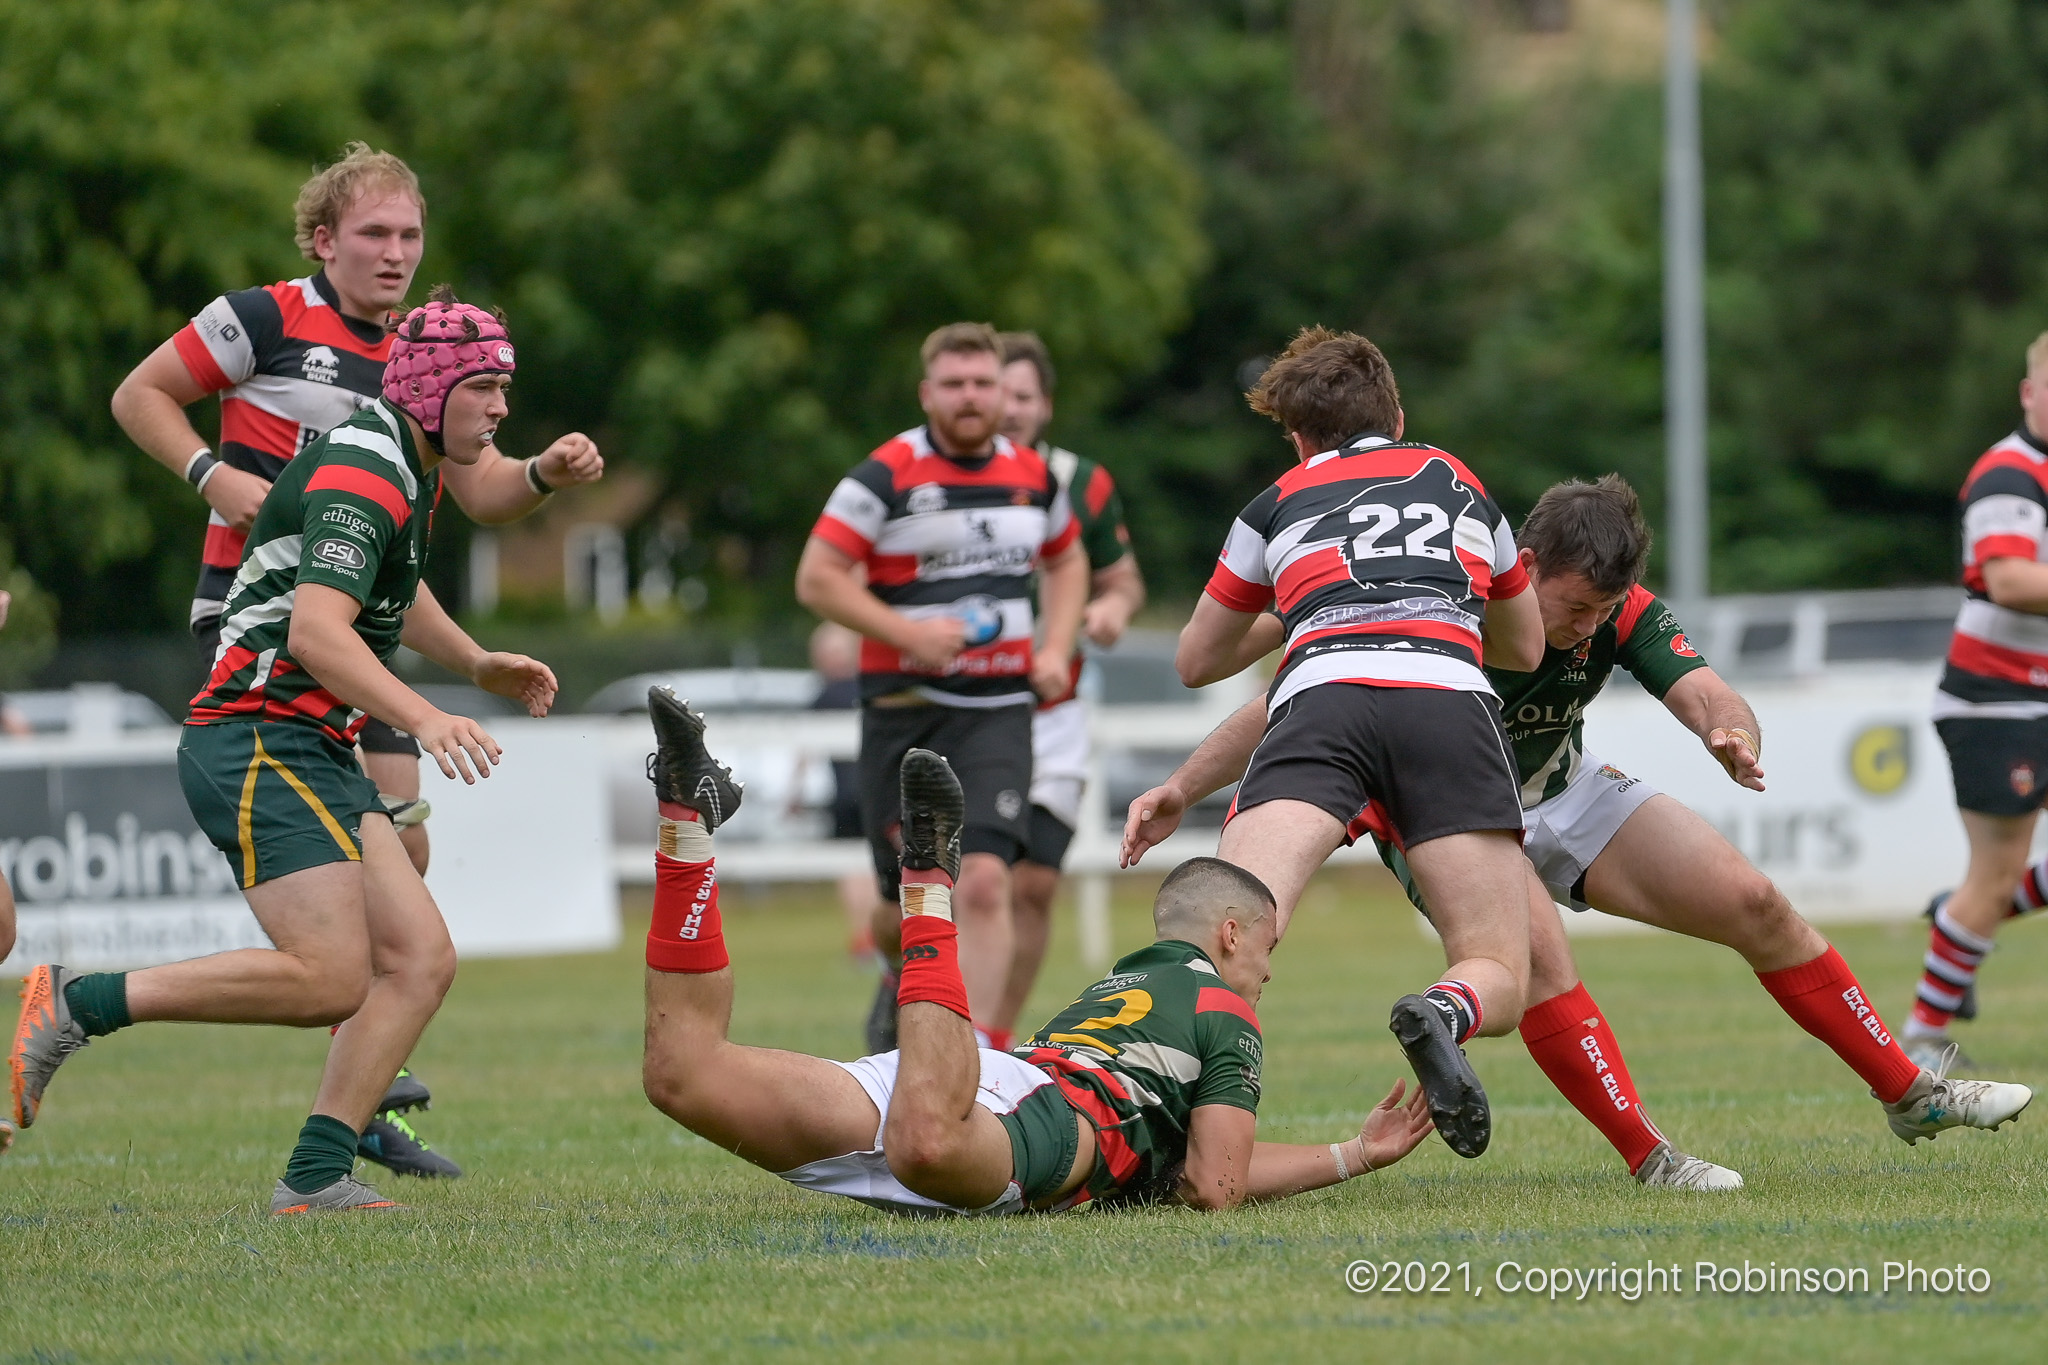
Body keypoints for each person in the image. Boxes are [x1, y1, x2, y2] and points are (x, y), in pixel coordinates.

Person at [1127, 475, 2035, 1185]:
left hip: (1566, 788)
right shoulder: (1446, 599)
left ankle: (1910, 1094)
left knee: (1756, 902)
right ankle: (1653, 1157)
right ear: (1521, 566)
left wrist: (1731, 732)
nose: (1583, 630)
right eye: (1571, 608)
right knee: (1542, 961)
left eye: (1603, 611)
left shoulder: (1617, 608)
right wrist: (1180, 785)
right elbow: (1288, 694)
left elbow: (1705, 687)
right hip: (1448, 810)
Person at [108, 142, 602, 1174]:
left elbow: (480, 486)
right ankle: (347, 1072)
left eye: (409, 235)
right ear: (323, 239)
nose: (394, 252)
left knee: (404, 856)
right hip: (269, 620)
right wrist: (209, 475)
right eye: (373, 233)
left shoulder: (422, 348)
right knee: (377, 868)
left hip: (366, 618)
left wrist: (545, 477)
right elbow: (139, 395)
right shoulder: (265, 317)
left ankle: (356, 1077)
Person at [9, 290, 560, 1212]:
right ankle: (77, 1000)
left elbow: (395, 585)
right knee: (331, 976)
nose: (501, 408)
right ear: (429, 389)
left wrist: (476, 661)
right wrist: (426, 715)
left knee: (420, 960)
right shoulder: (368, 471)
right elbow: (316, 632)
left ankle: (313, 1177)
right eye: (484, 387)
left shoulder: (400, 462)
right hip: (257, 736)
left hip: (309, 743)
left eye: (504, 387)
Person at [636, 687, 1436, 1214]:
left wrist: (1348, 1150)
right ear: (1231, 935)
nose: (1266, 971)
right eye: (1267, 949)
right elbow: (1214, 1183)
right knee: (925, 1141)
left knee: (682, 1071)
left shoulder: (1121, 983)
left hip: (979, 1087)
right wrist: (1354, 1157)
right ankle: (929, 884)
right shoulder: (1225, 1007)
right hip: (1027, 1119)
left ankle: (686, 822)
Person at [1167, 326, 1544, 1160]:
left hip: (1321, 698)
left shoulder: (1274, 502)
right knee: (1497, 967)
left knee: (1229, 927)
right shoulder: (1463, 484)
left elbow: (1198, 659)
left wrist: (1309, 599)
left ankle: (1175, 1126)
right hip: (1447, 699)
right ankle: (1444, 1010)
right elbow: (1526, 645)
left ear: (1298, 437)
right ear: (1398, 415)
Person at [795, 322, 1089, 1053]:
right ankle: (899, 974)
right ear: (928, 393)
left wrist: (1055, 643)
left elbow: (1066, 559)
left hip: (996, 716)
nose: (970, 397)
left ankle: (977, 1065)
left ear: (1001, 391)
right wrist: (909, 637)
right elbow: (818, 577)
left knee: (986, 883)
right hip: (904, 716)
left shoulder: (1033, 476)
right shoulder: (884, 477)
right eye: (954, 384)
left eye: (983, 383)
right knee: (906, 904)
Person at [986, 332, 1147, 1047]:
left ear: (1044, 405)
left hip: (1052, 711)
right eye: (1000, 394)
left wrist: (1110, 610)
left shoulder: (1082, 482)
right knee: (944, 889)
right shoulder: (932, 480)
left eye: (1024, 396)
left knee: (1032, 885)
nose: (1010, 409)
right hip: (962, 707)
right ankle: (905, 986)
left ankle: (991, 1036)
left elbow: (1122, 577)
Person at [1905, 330, 2048, 1069]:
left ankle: (1958, 917)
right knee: (1994, 873)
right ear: (2030, 392)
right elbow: (2010, 579)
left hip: (2037, 699)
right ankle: (1925, 1038)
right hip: (1994, 700)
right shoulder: (2009, 474)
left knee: (1987, 885)